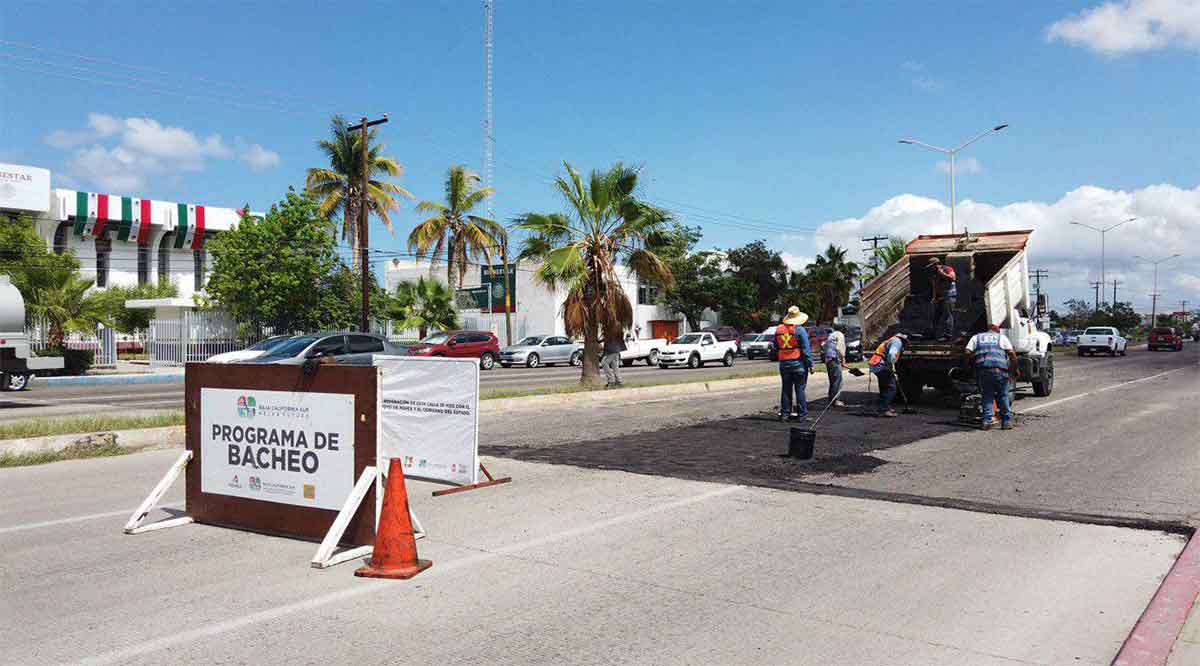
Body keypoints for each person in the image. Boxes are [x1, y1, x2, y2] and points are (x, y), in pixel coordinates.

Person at [965, 324, 1018, 430]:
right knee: (1003, 396)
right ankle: (1006, 422)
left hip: (984, 371)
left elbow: (967, 352)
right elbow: (1011, 354)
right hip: (1001, 371)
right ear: (997, 332)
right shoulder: (1001, 338)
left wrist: (968, 365)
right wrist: (1014, 369)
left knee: (987, 396)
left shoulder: (976, 337)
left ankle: (986, 422)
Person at [774, 306, 815, 421]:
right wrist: (811, 365)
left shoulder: (778, 330)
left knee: (786, 389)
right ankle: (802, 415)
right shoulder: (800, 330)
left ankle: (785, 414)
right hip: (798, 364)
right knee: (800, 389)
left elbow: (775, 346)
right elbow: (806, 350)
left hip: (784, 364)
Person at [868, 332, 908, 417]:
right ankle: (884, 409)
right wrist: (892, 368)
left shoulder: (892, 340)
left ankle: (884, 407)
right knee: (891, 388)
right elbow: (891, 354)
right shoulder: (897, 342)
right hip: (881, 365)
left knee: (884, 387)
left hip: (876, 365)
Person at [928, 257, 957, 340]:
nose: (931, 268)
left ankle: (948, 335)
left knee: (948, 315)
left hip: (949, 295)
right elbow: (934, 286)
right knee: (936, 316)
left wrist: (942, 273)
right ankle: (934, 334)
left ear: (936, 264)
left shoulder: (948, 269)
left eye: (932, 266)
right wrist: (934, 297)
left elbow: (953, 278)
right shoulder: (933, 273)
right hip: (940, 297)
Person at [823, 328, 847, 407]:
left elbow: (824, 346)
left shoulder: (830, 336)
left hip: (828, 360)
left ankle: (831, 399)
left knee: (832, 381)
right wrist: (843, 359)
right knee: (838, 381)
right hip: (834, 360)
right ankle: (835, 401)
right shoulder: (840, 334)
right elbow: (840, 348)